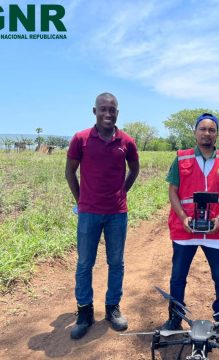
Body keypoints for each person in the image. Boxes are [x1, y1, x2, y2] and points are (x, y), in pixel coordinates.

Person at [162, 113, 219, 336]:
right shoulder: (181, 158)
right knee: (178, 276)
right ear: (195, 132)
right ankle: (175, 318)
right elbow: (173, 191)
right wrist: (183, 218)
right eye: (203, 129)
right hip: (185, 229)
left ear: (217, 134)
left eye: (211, 130)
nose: (207, 133)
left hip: (216, 231)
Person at [65, 92, 139, 340]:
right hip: (88, 214)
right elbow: (69, 173)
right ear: (94, 111)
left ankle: (112, 308)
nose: (108, 113)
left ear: (118, 112)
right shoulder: (81, 139)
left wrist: (121, 192)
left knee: (116, 263)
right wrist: (81, 201)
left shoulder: (126, 141)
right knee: (85, 263)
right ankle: (84, 312)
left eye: (113, 109)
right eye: (103, 109)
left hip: (117, 214)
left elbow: (134, 169)